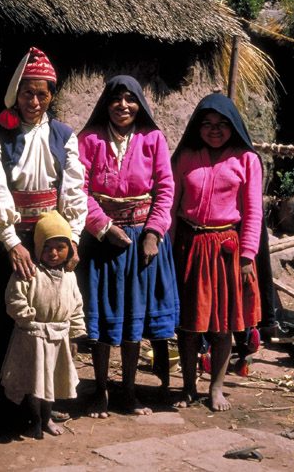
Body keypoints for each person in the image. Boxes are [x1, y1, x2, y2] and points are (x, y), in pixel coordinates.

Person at [0, 47, 87, 421]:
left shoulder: (63, 136)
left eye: (42, 94)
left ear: (52, 96)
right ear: (15, 93)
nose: (34, 101)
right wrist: (11, 243)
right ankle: (6, 401)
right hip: (10, 236)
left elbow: (73, 188)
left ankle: (43, 401)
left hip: (50, 237)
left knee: (49, 319)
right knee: (8, 315)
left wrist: (72, 240)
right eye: (27, 93)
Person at [76, 75, 179, 418]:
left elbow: (165, 189)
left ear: (140, 104)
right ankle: (101, 391)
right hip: (103, 240)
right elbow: (78, 189)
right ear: (106, 103)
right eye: (116, 99)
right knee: (104, 318)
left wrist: (153, 234)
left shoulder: (153, 139)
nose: (123, 105)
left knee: (134, 319)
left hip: (141, 241)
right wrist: (102, 227)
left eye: (130, 99)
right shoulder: (88, 139)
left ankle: (130, 392)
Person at [171, 93, 264, 412]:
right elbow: (171, 207)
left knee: (222, 325)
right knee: (188, 324)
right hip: (189, 245)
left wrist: (247, 256)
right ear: (197, 127)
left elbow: (253, 211)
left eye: (222, 124)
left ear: (234, 126)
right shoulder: (185, 156)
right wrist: (167, 251)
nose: (214, 130)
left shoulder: (246, 160)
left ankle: (217, 388)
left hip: (226, 249)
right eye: (207, 124)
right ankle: (187, 387)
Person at [0, 211, 86, 439]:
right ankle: (34, 419)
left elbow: (77, 306)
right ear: (38, 248)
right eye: (48, 247)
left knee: (52, 383)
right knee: (34, 383)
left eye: (60, 247)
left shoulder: (69, 277)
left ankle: (46, 417)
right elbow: (14, 299)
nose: (54, 253)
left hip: (59, 339)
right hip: (33, 339)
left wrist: (75, 334)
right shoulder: (29, 273)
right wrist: (28, 319)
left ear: (70, 249)